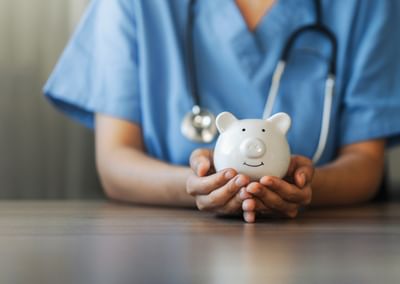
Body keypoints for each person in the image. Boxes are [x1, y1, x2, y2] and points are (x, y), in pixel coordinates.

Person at [44, 0, 400, 223]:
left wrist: (306, 187)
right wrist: (196, 188)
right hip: (161, 246)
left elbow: (365, 164)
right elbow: (115, 162)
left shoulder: (368, 5)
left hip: (322, 249)